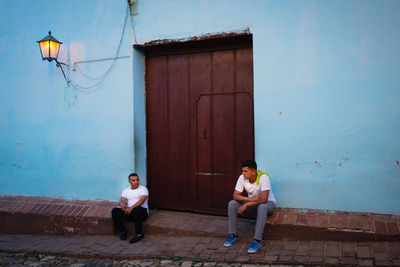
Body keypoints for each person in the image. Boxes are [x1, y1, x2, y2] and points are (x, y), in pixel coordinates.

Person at [224, 160, 276, 253]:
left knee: (262, 207)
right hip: (254, 204)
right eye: (242, 171)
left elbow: (264, 199)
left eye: (245, 171)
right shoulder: (242, 178)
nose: (243, 173)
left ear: (253, 172)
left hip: (268, 204)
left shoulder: (263, 177)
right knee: (232, 204)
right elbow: (235, 195)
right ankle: (234, 235)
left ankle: (257, 240)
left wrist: (246, 205)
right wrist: (250, 200)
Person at [111, 173, 149, 243]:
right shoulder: (126, 190)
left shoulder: (143, 189)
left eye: (137, 180)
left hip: (141, 213)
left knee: (137, 209)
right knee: (115, 211)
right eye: (133, 180)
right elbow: (122, 200)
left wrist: (131, 208)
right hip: (130, 213)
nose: (136, 182)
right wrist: (122, 205)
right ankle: (122, 231)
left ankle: (139, 234)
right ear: (129, 182)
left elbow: (141, 201)